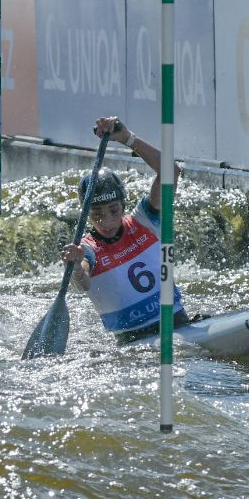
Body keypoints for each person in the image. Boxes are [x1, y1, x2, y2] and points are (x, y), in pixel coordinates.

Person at [59, 117, 193, 344]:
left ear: (123, 204)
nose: (108, 221)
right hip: (134, 344)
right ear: (86, 214)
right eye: (97, 214)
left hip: (178, 324)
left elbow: (171, 171)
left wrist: (127, 138)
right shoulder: (87, 249)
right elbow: (83, 284)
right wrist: (74, 267)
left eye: (113, 210)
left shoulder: (145, 221)